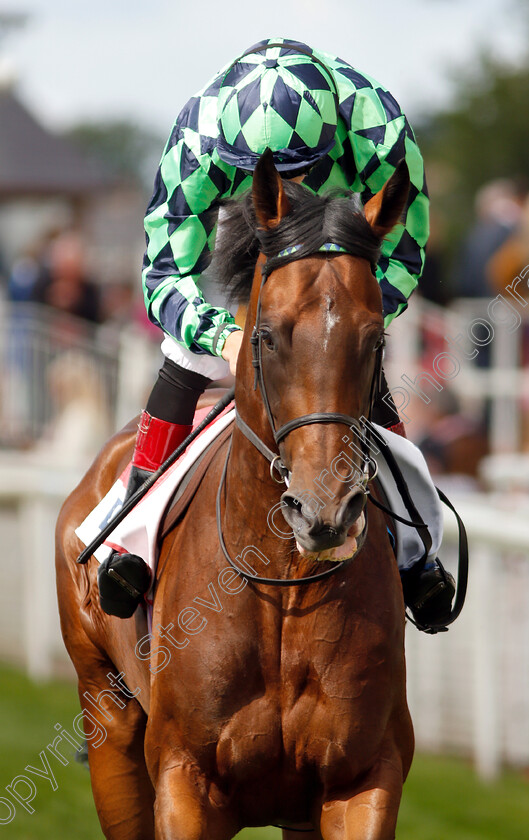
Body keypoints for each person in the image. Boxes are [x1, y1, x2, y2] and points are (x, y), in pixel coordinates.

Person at [98, 37, 455, 628]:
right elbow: (164, 271)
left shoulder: (378, 124)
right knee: (185, 357)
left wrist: (335, 330)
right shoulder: (196, 136)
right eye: (274, 177)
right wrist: (222, 337)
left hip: (343, 251)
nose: (291, 190)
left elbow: (404, 252)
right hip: (241, 238)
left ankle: (418, 553)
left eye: (304, 173)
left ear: (331, 138)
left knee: (349, 364)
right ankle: (129, 535)